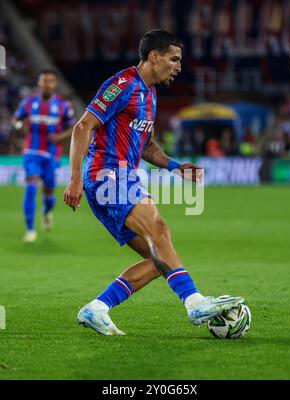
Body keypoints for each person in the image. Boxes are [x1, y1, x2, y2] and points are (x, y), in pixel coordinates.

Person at [64, 29, 243, 336]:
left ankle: (97, 308)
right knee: (160, 230)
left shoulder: (149, 94)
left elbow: (146, 145)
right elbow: (83, 126)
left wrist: (175, 166)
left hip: (122, 178)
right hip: (107, 174)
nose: (179, 66)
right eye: (174, 59)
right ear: (154, 56)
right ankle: (195, 302)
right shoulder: (123, 84)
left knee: (159, 259)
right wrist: (75, 179)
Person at [13, 68, 75, 243]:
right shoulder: (29, 102)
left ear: (54, 84)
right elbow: (17, 119)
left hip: (51, 155)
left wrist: (59, 137)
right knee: (31, 186)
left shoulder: (63, 105)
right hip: (31, 152)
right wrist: (19, 126)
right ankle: (30, 229)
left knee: (48, 193)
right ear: (39, 83)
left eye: (50, 81)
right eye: (43, 81)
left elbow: (73, 128)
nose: (46, 84)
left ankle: (47, 212)